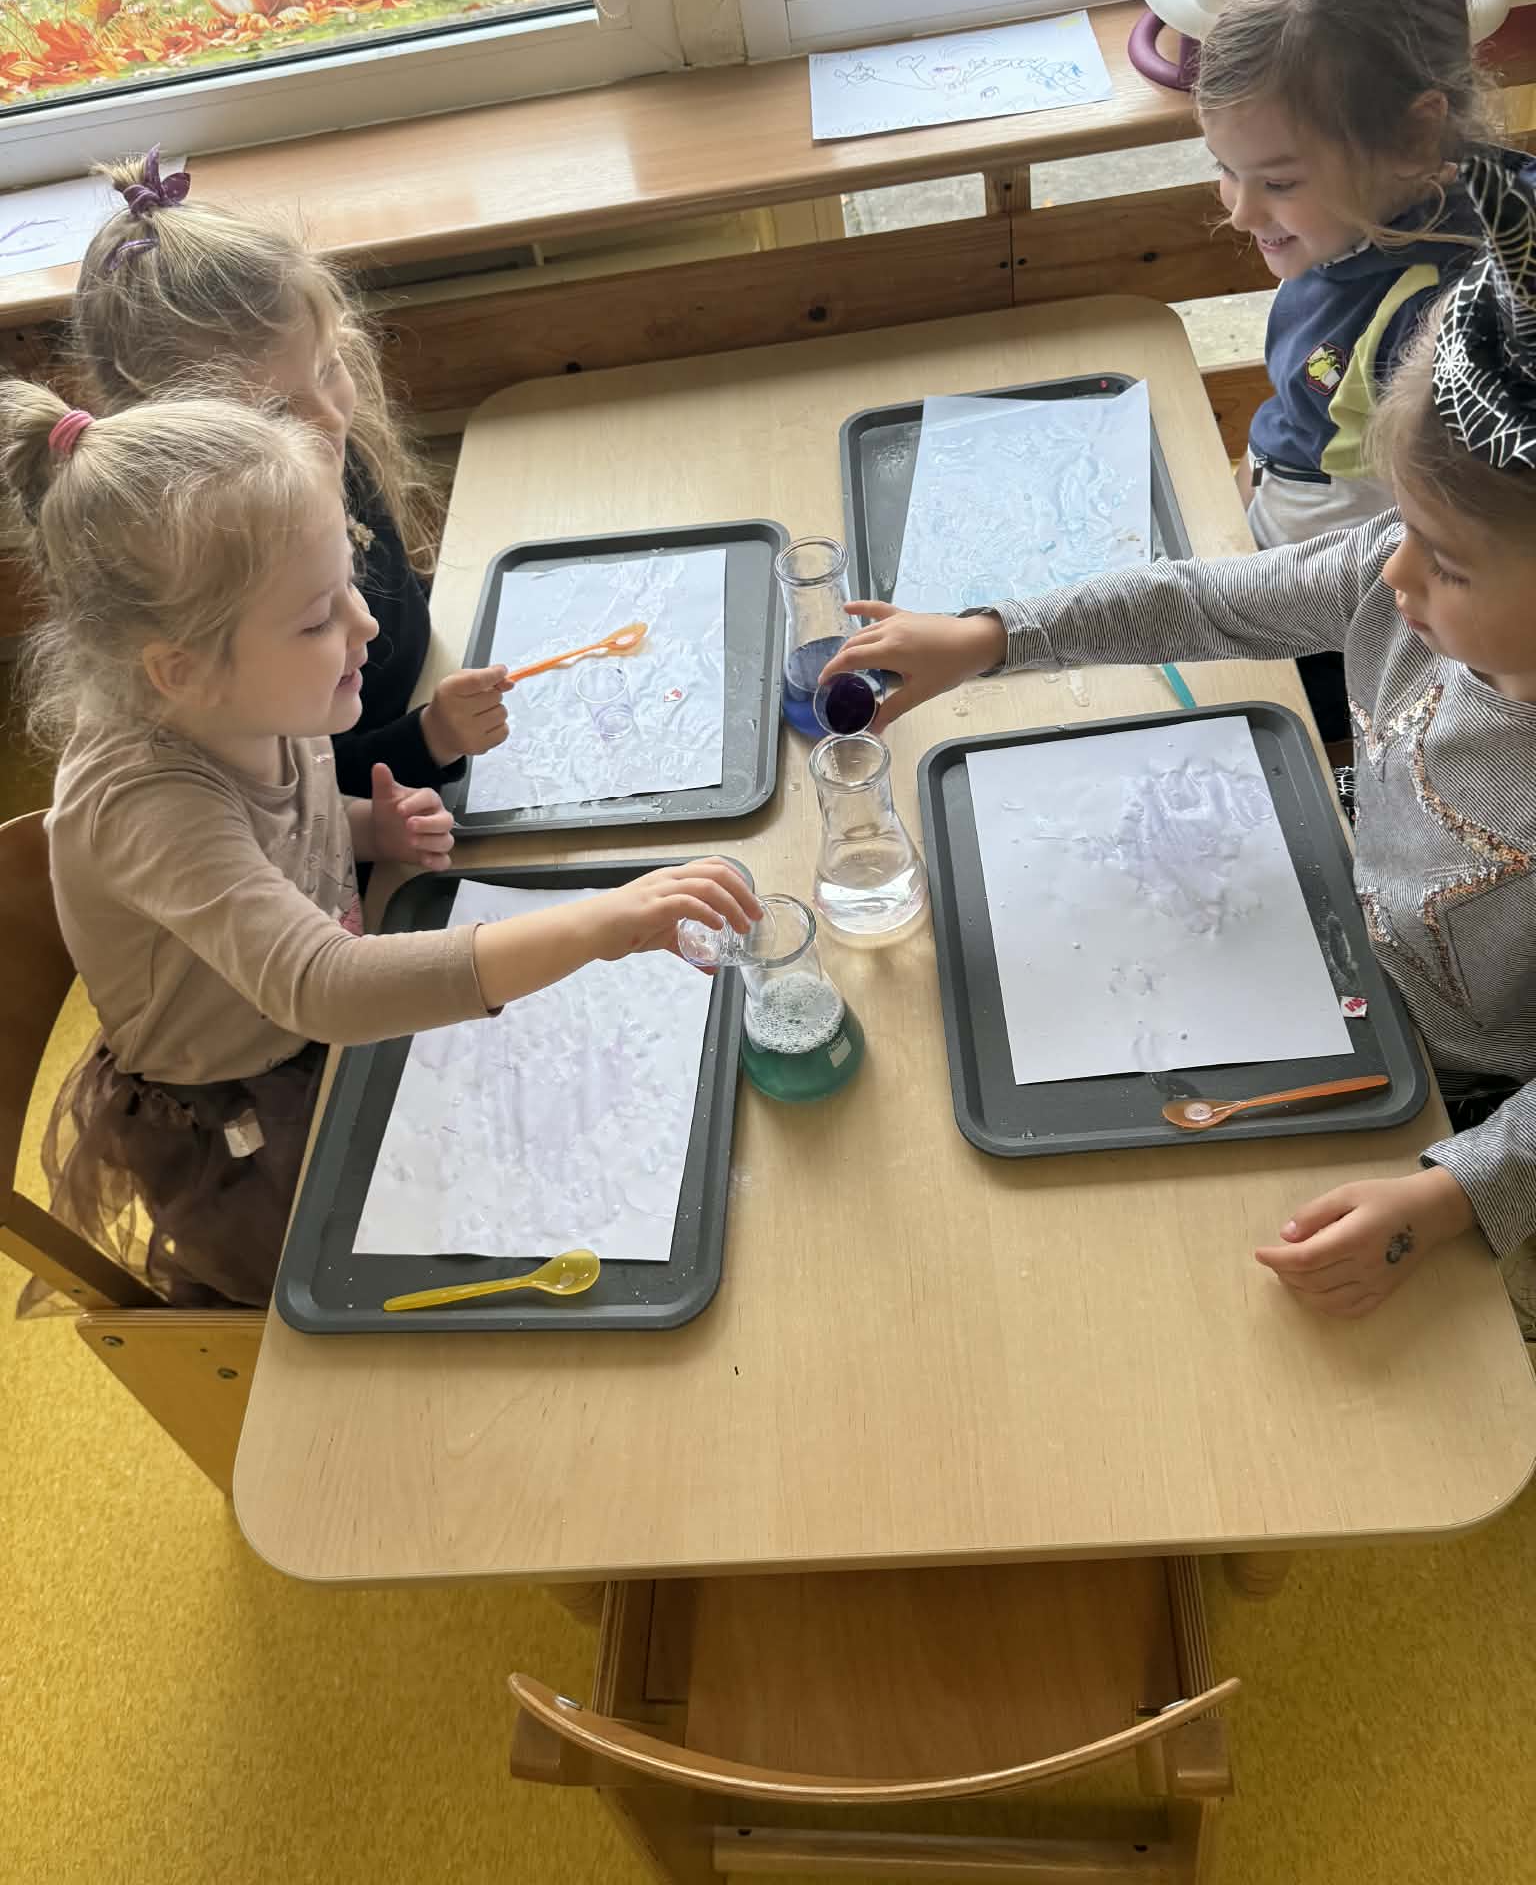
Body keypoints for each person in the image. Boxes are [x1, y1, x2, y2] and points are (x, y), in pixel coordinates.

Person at [820, 148, 1536, 1325]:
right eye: (1401, 526)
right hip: (1332, 948)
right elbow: (1205, 601)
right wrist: (991, 635)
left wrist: (1457, 1192)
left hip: (1471, 1096)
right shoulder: (1395, 575)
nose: (1390, 572)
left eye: (1445, 562)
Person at [2, 383, 759, 1309]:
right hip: (249, 1119)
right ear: (180, 670)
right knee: (465, 1268)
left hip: (333, 1023)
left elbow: (285, 822)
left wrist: (369, 825)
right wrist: (599, 924)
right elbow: (323, 985)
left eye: (347, 583)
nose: (364, 623)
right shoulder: (144, 805)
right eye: (317, 617)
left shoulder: (251, 695)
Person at [71, 148, 508, 797]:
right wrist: (431, 739)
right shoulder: (219, 569)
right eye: (274, 410)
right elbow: (289, 796)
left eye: (329, 367)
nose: (328, 418)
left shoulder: (320, 451)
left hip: (427, 726)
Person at [1198, 0, 1498, 553]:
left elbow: (1450, 542)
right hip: (1275, 508)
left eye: (1279, 183)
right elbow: (1303, 410)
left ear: (1413, 137)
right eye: (1226, 168)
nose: (1241, 213)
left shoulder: (1442, 321)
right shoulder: (1352, 224)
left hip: (1328, 588)